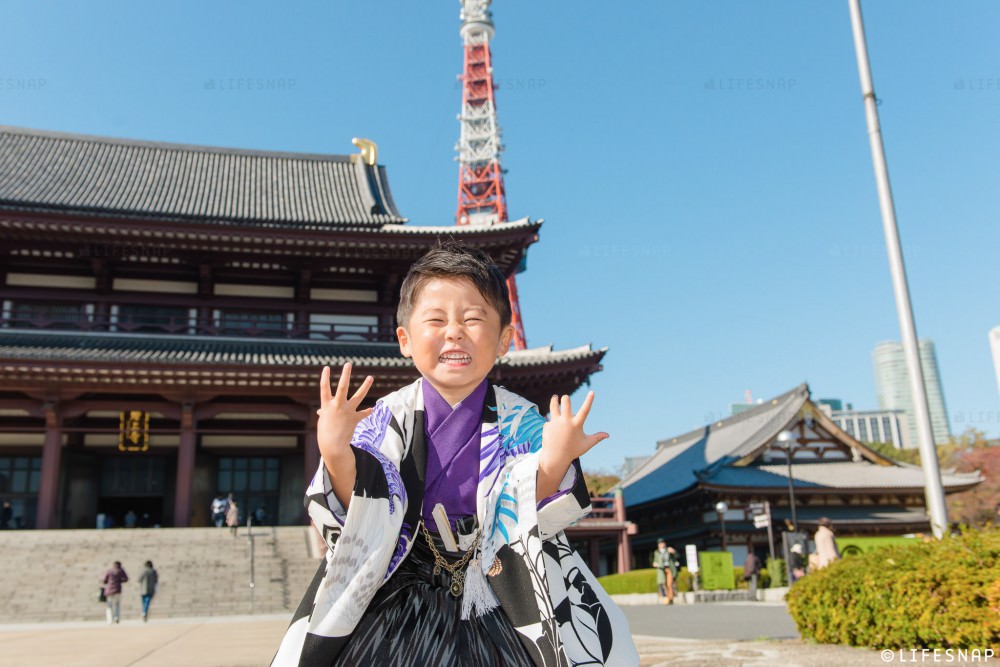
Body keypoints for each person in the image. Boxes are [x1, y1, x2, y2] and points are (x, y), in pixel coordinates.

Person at [271, 244, 638, 666]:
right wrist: (336, 452)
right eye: (436, 319)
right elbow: (360, 504)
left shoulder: (523, 421)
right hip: (396, 595)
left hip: (499, 592)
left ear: (504, 339)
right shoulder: (385, 418)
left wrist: (554, 460)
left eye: (473, 318)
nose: (454, 332)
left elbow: (537, 510)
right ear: (405, 340)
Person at [652, 539, 672, 604]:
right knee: (662, 583)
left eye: (662, 543)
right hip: (661, 569)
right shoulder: (656, 552)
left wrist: (673, 552)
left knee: (669, 584)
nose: (661, 545)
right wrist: (655, 563)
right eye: (660, 544)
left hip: (669, 568)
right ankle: (666, 598)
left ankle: (670, 598)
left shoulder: (668, 550)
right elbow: (655, 560)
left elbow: (675, 557)